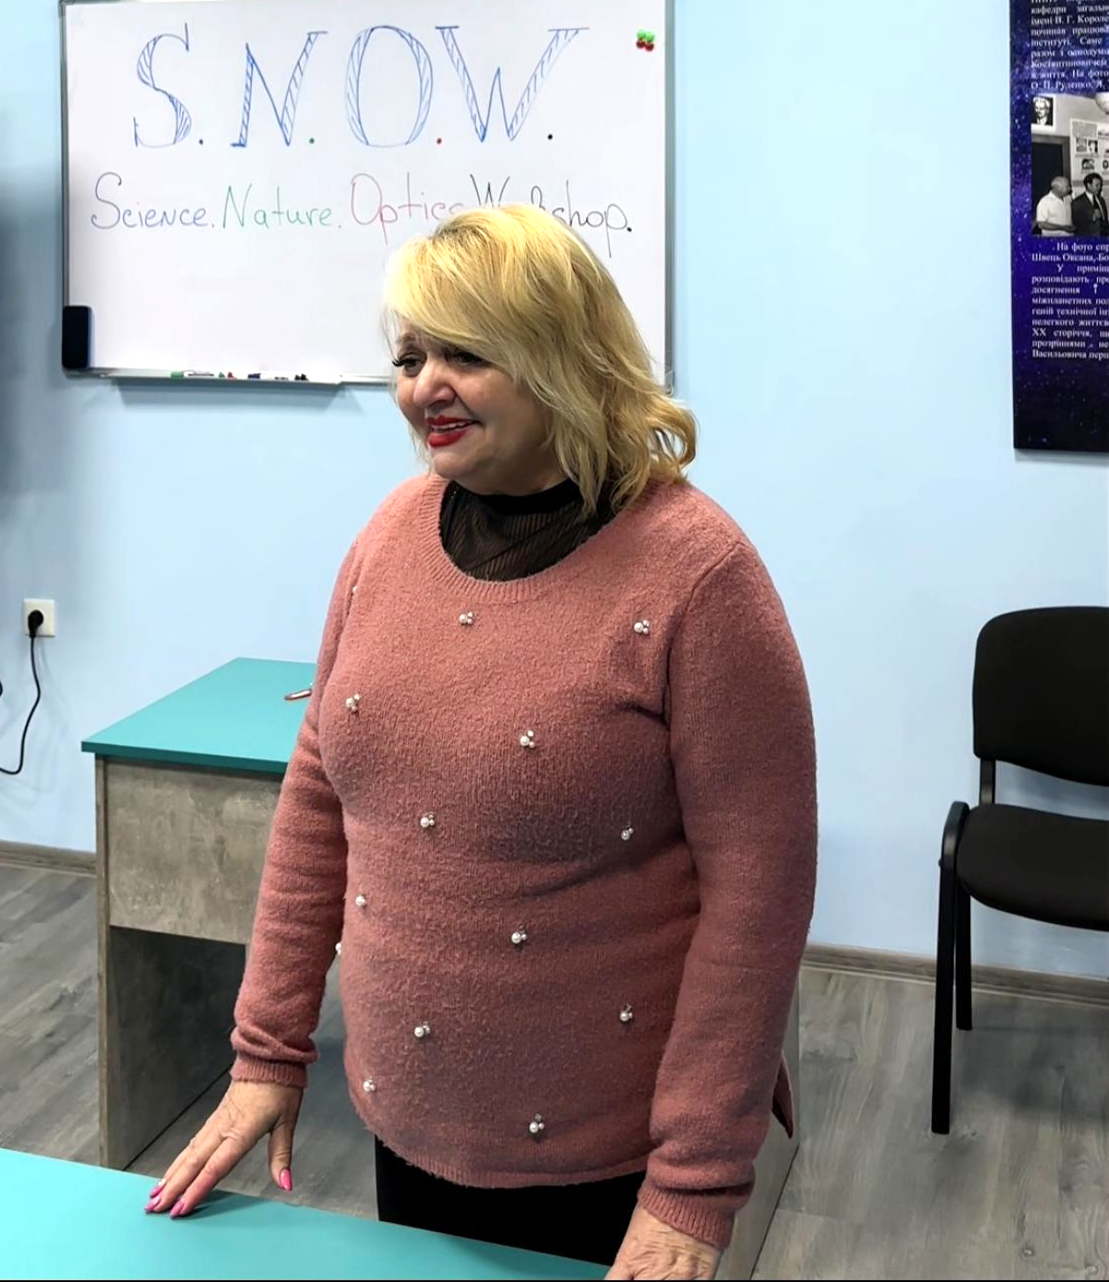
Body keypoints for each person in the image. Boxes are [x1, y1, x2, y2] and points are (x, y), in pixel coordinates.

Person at [140, 205, 818, 1279]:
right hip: (408, 1115)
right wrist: (267, 1051)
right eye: (410, 357)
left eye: (465, 352)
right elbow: (318, 794)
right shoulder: (389, 532)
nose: (425, 387)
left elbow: (759, 895)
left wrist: (693, 1186)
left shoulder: (698, 574)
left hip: (609, 1157)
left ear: (560, 356)